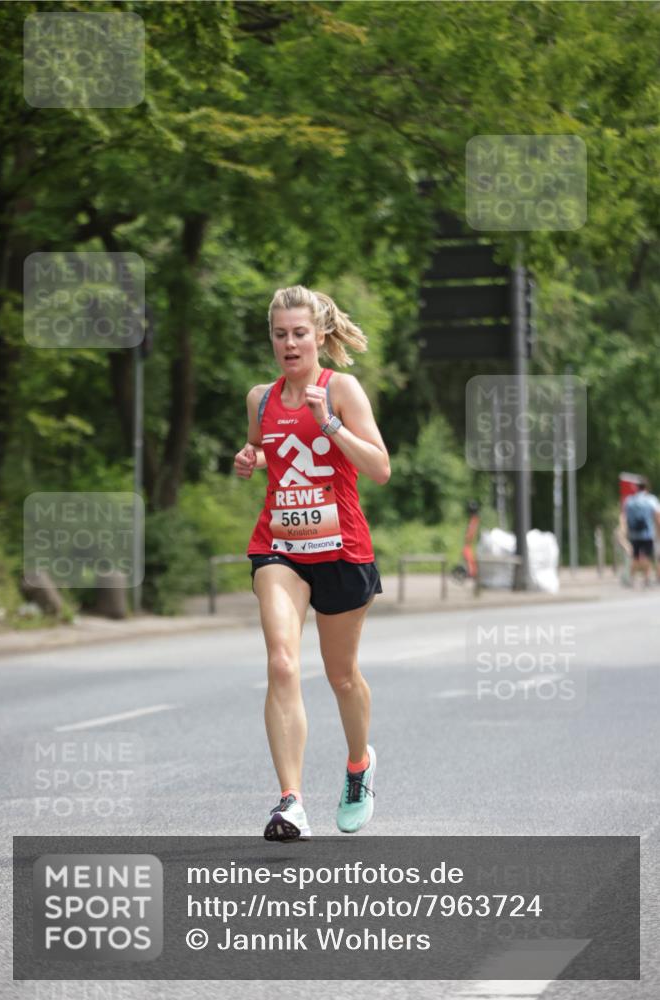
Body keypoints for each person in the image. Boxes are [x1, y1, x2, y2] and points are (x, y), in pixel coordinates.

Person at [234, 285, 391, 841]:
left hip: (342, 550)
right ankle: (291, 801)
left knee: (341, 676)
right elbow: (259, 446)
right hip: (279, 547)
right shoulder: (261, 397)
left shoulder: (341, 388)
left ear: (319, 336)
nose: (290, 343)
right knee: (281, 662)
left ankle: (357, 766)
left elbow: (379, 469)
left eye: (300, 333)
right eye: (280, 334)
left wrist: (331, 426)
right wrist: (248, 458)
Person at [620, 478, 660, 587]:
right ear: (646, 488)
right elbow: (657, 516)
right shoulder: (651, 500)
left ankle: (631, 579)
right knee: (647, 556)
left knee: (635, 557)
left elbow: (624, 517)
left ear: (636, 488)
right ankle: (646, 580)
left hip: (634, 534)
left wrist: (624, 532)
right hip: (647, 534)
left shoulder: (629, 500)